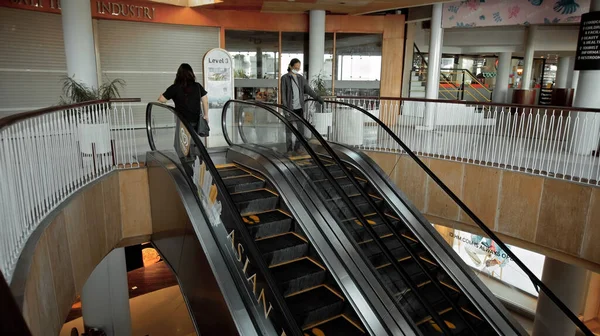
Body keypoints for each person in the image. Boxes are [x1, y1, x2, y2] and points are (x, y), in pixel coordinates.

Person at [280, 58, 324, 153]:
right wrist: (285, 108)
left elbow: (308, 90)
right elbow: (283, 94)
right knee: (289, 130)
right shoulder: (285, 78)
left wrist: (317, 97)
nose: (297, 69)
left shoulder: (300, 78)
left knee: (301, 130)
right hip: (289, 108)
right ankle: (289, 149)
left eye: (298, 68)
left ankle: (297, 147)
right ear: (291, 66)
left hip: (299, 108)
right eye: (295, 67)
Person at [158, 63, 209, 132]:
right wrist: (206, 115)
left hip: (181, 120)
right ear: (191, 74)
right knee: (194, 139)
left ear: (178, 75)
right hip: (196, 119)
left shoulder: (174, 87)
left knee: (183, 140)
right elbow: (205, 100)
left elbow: (161, 100)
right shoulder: (197, 86)